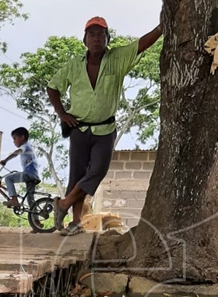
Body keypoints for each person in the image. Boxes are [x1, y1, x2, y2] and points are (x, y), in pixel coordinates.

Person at [45, 16, 162, 236]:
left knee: (98, 170)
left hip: (105, 129)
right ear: (85, 40)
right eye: (92, 35)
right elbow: (52, 87)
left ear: (107, 39)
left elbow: (141, 44)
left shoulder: (117, 59)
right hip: (78, 128)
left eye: (101, 34)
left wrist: (161, 27)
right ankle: (75, 222)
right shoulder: (73, 65)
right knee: (77, 175)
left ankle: (63, 204)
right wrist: (62, 114)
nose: (96, 39)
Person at [0, 127, 41, 209]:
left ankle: (14, 200)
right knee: (30, 200)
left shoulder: (25, 146)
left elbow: (17, 152)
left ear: (22, 137)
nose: (13, 141)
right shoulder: (29, 147)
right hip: (34, 176)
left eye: (15, 138)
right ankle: (35, 221)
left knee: (8, 179)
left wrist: (6, 160)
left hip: (28, 174)